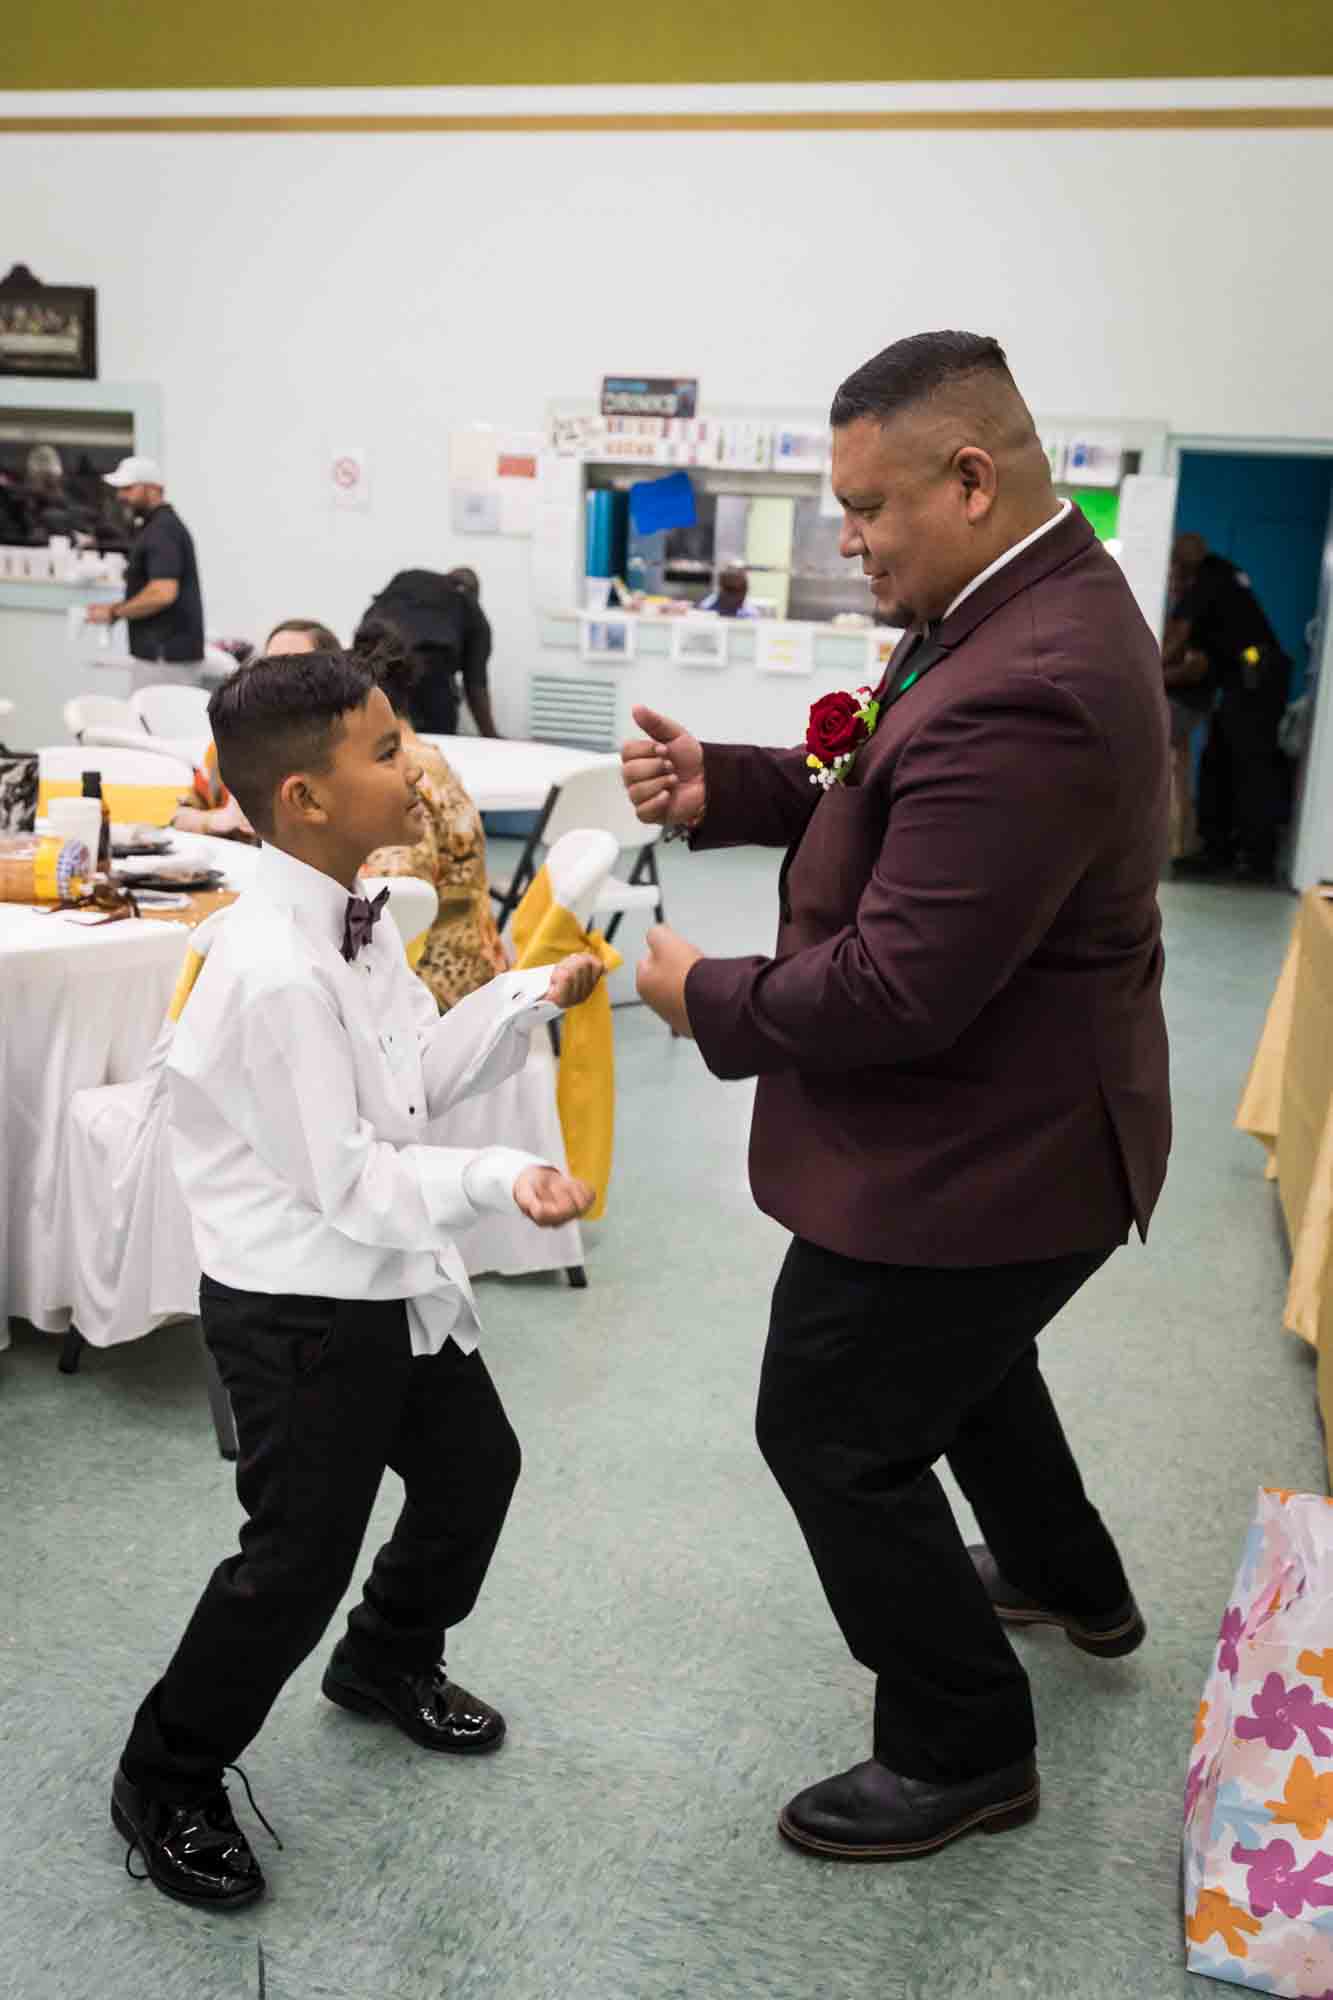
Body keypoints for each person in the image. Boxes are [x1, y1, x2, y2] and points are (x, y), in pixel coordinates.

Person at [622, 330, 1170, 1863]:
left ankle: (963, 1741)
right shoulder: (999, 611)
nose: (845, 541)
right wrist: (733, 787)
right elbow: (891, 799)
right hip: (1022, 1122)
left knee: (830, 1426)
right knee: (966, 1365)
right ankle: (1072, 1579)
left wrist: (701, 998)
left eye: (865, 510)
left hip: (995, 1140)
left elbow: (895, 988)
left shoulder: (1036, 679)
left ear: (971, 479)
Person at [111, 649, 602, 1909]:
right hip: (300, 1306)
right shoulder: (271, 966)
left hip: (386, 1276)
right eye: (387, 750)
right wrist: (500, 1179)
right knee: (294, 1557)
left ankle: (383, 1657)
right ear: (302, 801)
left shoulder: (355, 907)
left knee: (473, 1468)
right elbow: (349, 1178)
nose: (418, 765)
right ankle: (165, 1771)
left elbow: (410, 1078)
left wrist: (524, 1000)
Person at [357, 622, 508, 1011]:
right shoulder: (427, 758)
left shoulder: (399, 777)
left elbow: (396, 903)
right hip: (477, 962)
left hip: (438, 985)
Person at [1164, 533, 1291, 882]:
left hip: (1254, 678)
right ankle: (1218, 850)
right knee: (1219, 760)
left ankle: (1255, 859)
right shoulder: (1223, 573)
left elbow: (1177, 642)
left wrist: (1146, 671)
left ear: (1181, 563)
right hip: (1248, 679)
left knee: (1249, 766)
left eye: (1174, 565)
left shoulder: (1207, 580)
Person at [173, 619, 338, 837]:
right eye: (269, 663)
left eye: (295, 664)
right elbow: (179, 817)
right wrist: (220, 820)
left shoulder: (345, 750)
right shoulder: (232, 746)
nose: (277, 675)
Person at [86, 455, 205, 693]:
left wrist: (114, 612)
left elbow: (162, 593)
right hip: (164, 654)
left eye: (129, 488)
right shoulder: (157, 527)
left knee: (156, 727)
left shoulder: (162, 530)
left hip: (164, 655)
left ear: (153, 489)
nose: (121, 496)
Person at [358, 568, 502, 738]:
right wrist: (492, 737)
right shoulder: (470, 607)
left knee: (373, 740)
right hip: (430, 673)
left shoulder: (406, 579)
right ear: (474, 593)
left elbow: (369, 621)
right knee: (436, 742)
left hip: (373, 661)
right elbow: (475, 685)